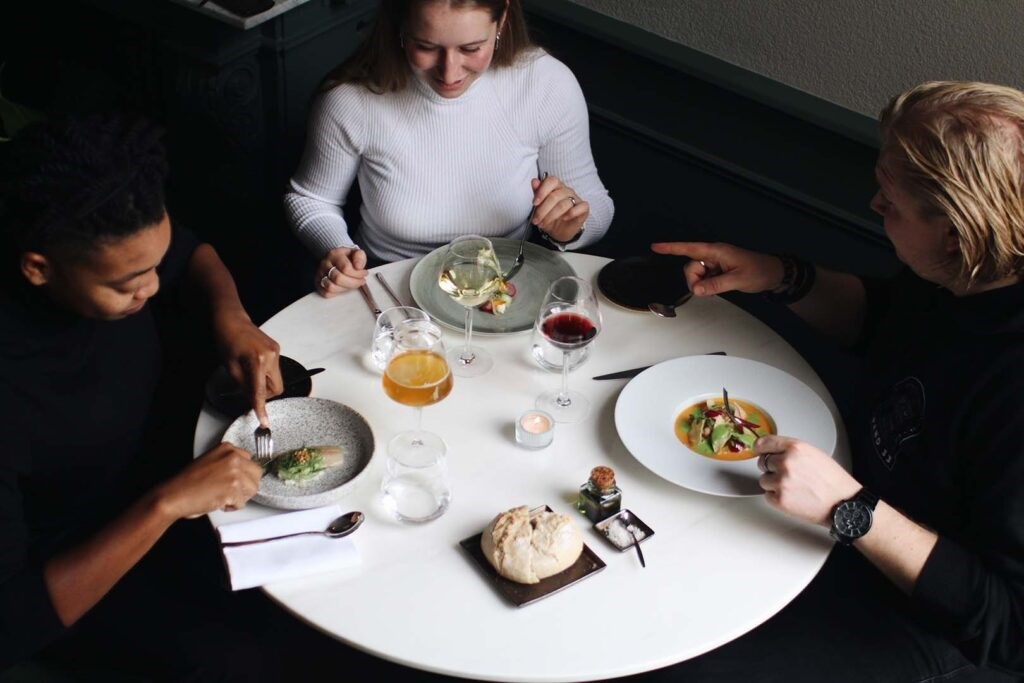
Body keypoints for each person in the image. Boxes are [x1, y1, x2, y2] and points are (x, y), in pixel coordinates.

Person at [645, 81, 1024, 681]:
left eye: (891, 201)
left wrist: (853, 511)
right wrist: (779, 275)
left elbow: (1008, 626)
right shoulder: (962, 274)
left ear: (956, 232)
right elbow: (885, 322)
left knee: (668, 663)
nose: (875, 204)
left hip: (908, 617)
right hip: (825, 513)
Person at [0, 115, 290, 680]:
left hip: (179, 482)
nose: (152, 287)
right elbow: (13, 620)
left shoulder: (112, 236)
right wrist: (165, 504)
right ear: (38, 268)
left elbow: (190, 253)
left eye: (153, 266)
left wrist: (232, 318)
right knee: (255, 661)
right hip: (87, 568)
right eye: (128, 283)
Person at [284, 0, 614, 295]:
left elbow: (596, 204)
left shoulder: (545, 84)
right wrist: (340, 251)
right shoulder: (350, 98)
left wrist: (571, 226)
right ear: (401, 25)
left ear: (502, 21)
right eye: (426, 46)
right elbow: (311, 199)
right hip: (387, 291)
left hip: (503, 289)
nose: (449, 72)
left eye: (472, 48)